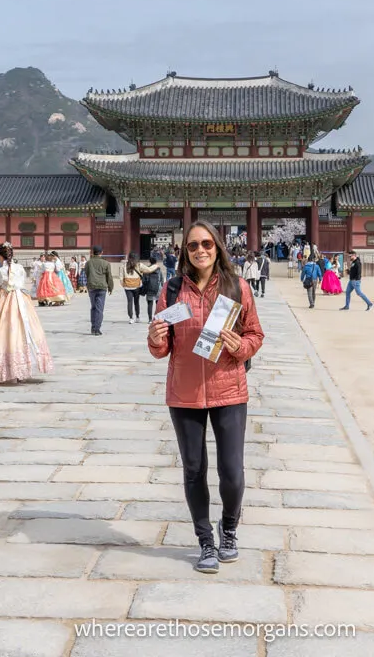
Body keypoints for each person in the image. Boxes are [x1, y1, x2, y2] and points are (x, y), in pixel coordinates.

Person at [147, 221, 264, 574]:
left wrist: (240, 346)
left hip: (229, 388)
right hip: (184, 394)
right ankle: (205, 542)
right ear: (185, 250)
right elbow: (162, 349)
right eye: (193, 245)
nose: (200, 250)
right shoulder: (171, 292)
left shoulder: (236, 287)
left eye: (207, 244)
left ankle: (229, 528)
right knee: (194, 470)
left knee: (232, 472)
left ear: (218, 248)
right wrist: (154, 337)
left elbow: (256, 334)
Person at [0, 242, 53, 383]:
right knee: (22, 331)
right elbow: (21, 284)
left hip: (5, 302)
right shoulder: (20, 268)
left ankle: (7, 370)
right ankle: (22, 368)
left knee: (4, 333)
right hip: (21, 301)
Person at [86, 246, 114, 335]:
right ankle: (97, 328)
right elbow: (109, 276)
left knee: (93, 307)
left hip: (92, 287)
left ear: (93, 252)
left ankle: (93, 327)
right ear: (102, 252)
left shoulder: (88, 263)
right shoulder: (106, 263)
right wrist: (110, 287)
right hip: (102, 287)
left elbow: (87, 273)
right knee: (99, 308)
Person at [121, 254, 143, 323]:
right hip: (136, 286)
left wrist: (123, 284)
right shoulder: (138, 265)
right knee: (136, 302)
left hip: (127, 287)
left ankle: (131, 318)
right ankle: (137, 317)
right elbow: (145, 272)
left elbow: (121, 277)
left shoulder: (124, 266)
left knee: (129, 302)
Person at [141, 253, 164, 318]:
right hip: (158, 289)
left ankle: (150, 319)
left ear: (149, 261)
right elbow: (162, 279)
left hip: (149, 288)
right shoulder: (158, 269)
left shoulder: (147, 269)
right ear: (156, 261)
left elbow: (144, 281)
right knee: (158, 304)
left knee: (150, 304)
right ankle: (157, 318)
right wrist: (162, 287)